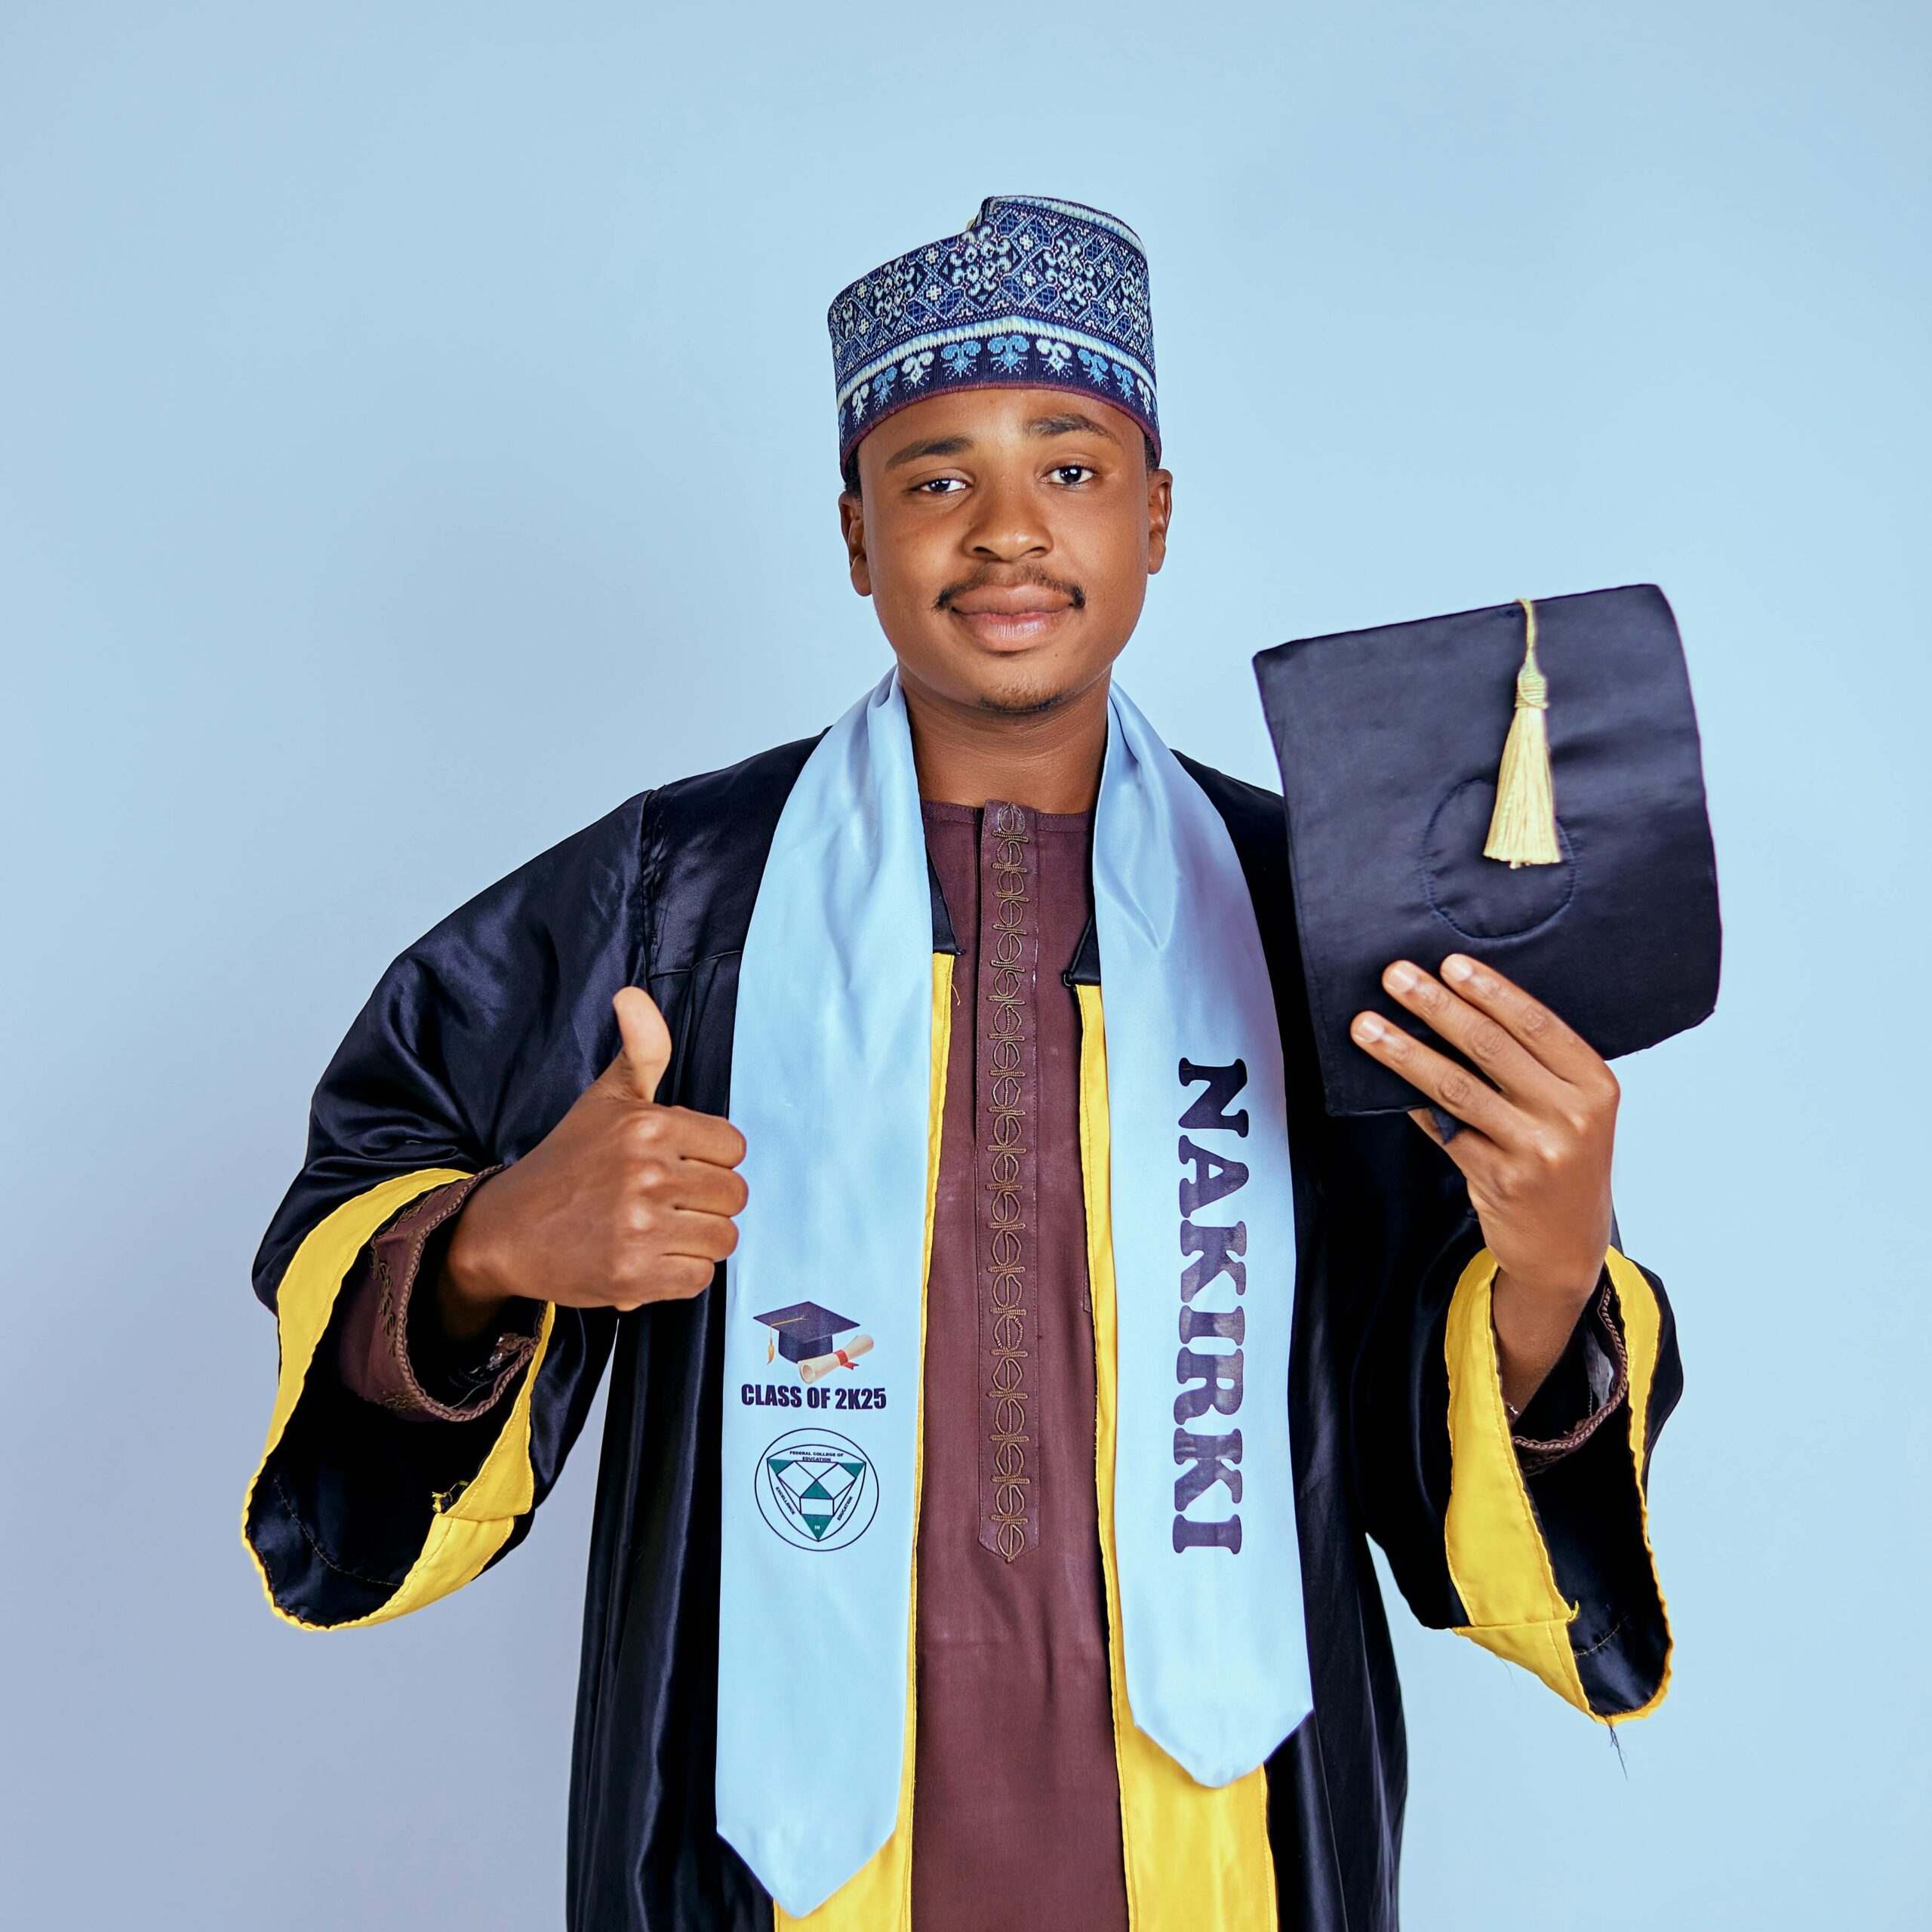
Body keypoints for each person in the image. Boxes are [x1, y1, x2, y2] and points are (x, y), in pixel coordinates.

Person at [244, 195, 1677, 1932]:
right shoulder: (674, 895)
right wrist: (487, 1252)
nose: (1006, 531)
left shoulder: (1315, 914)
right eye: (934, 478)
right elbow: (380, 1157)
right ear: (853, 535)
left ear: (1157, 513)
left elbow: (1416, 1420)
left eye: (1068, 469)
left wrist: (1545, 1265)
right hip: (766, 1845)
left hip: (1215, 1839)